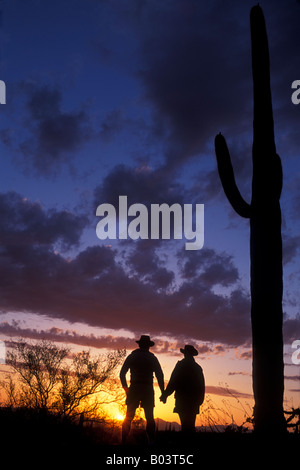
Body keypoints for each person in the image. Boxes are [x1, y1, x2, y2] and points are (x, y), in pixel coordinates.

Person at [119, 335, 164, 444]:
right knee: (149, 417)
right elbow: (160, 376)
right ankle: (151, 442)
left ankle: (123, 441)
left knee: (128, 416)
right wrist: (163, 392)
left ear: (139, 345)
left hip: (134, 388)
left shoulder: (132, 356)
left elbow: (122, 374)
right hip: (147, 389)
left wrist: (126, 390)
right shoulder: (152, 358)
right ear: (148, 346)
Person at [160, 345, 205, 434]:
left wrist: (165, 395)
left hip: (182, 399)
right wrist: (200, 400)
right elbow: (201, 386)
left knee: (184, 425)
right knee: (191, 425)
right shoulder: (197, 368)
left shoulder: (180, 365)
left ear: (185, 354)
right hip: (194, 401)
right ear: (192, 355)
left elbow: (173, 382)